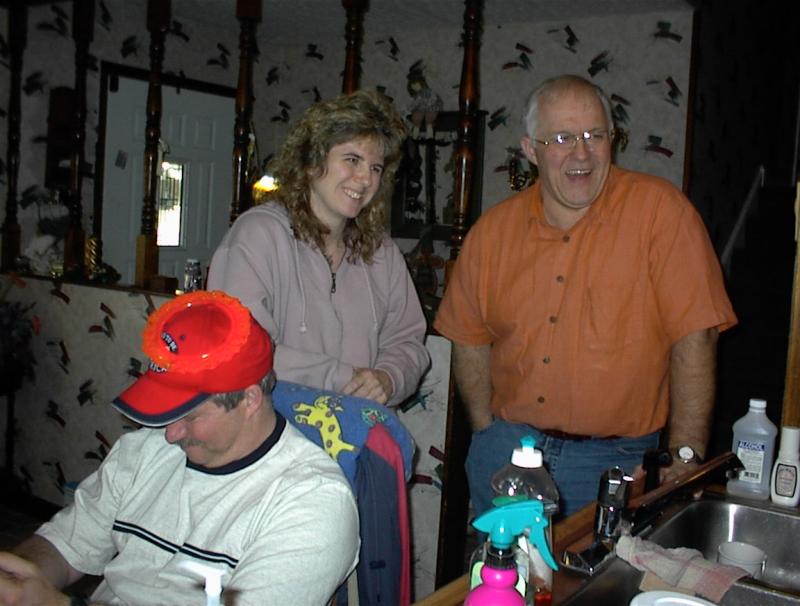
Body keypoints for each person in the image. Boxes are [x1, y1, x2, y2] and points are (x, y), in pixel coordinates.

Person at [434, 74, 737, 517]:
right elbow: (468, 337)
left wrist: (685, 456)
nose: (582, 153)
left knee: (599, 566)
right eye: (562, 138)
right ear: (530, 149)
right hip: (508, 452)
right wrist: (487, 430)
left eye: (596, 135)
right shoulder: (492, 233)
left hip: (615, 462)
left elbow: (697, 334)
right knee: (500, 564)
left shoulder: (662, 214)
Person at [0, 290, 358, 606]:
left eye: (189, 416)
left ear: (249, 399)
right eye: (166, 412)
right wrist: (17, 581)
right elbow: (65, 544)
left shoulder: (314, 501)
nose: (170, 434)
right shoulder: (141, 451)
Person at [208, 89, 430, 407]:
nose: (365, 179)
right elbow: (240, 348)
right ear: (312, 162)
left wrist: (388, 378)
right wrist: (342, 379)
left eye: (376, 168)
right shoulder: (258, 235)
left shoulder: (383, 252)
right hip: (274, 427)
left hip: (357, 427)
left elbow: (408, 341)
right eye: (352, 160)